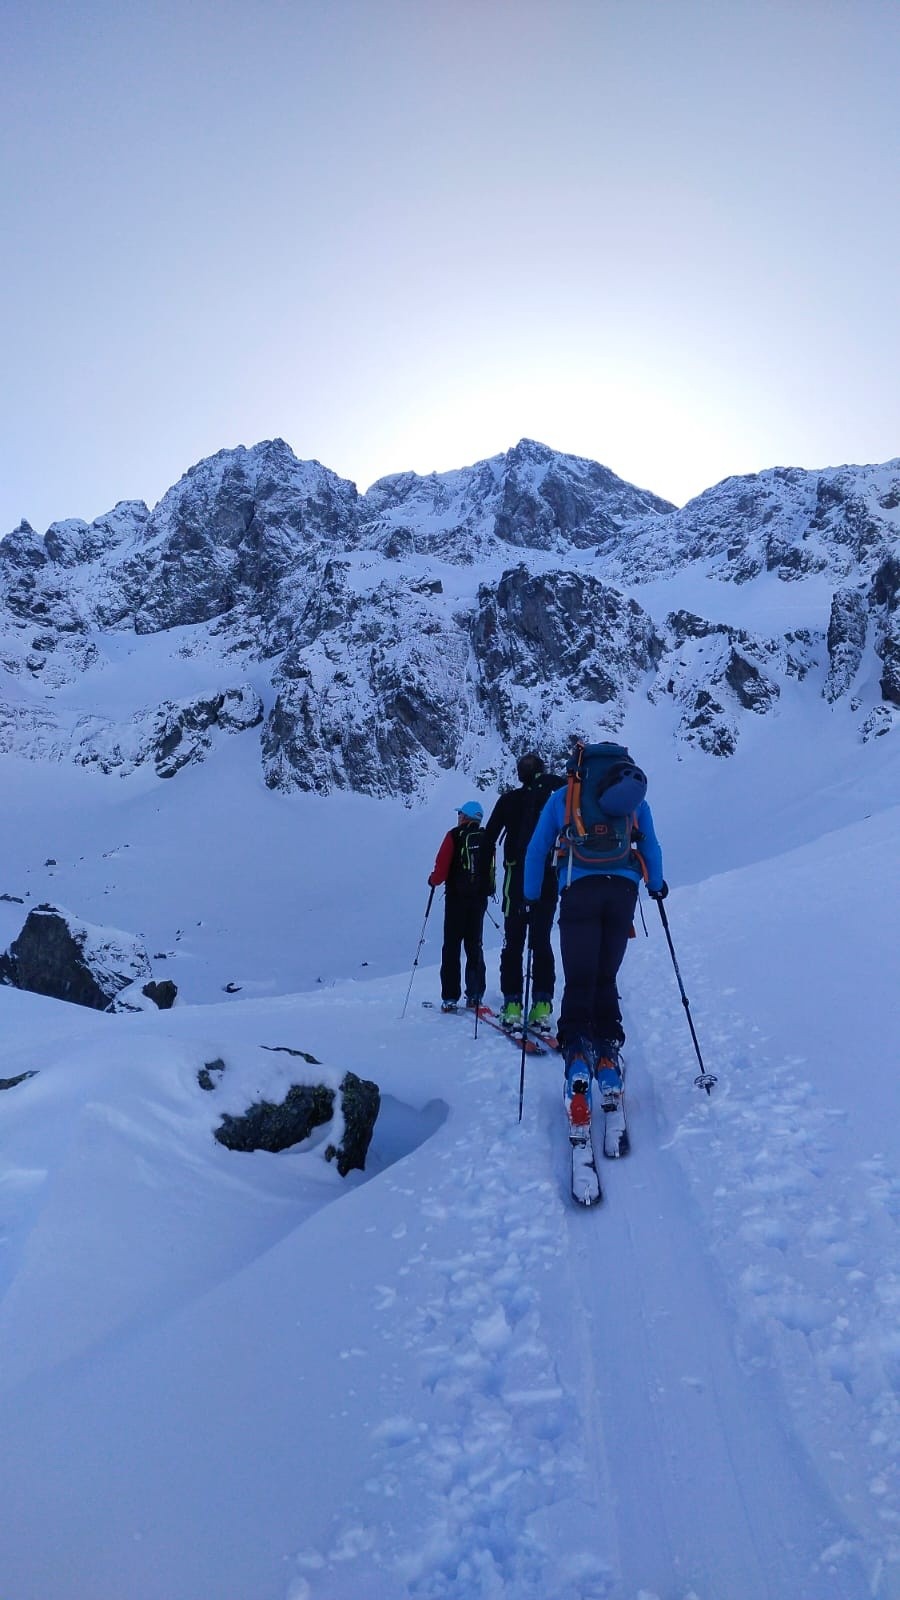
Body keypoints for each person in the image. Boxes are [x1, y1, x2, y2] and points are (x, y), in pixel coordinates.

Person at [523, 741, 666, 1099]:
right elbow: (650, 847)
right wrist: (656, 884)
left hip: (578, 888)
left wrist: (530, 894)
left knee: (579, 975)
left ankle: (575, 1055)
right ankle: (608, 1054)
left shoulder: (565, 795)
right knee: (605, 975)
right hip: (622, 891)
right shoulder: (634, 799)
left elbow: (538, 847)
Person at [482, 751, 566, 1032]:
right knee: (541, 940)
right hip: (547, 876)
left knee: (513, 942)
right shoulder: (556, 797)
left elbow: (489, 839)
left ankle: (513, 1003)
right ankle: (542, 1005)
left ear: (520, 774)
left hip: (515, 878)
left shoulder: (508, 800)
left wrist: (484, 878)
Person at [428, 800, 492, 1012]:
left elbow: (442, 866)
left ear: (465, 817)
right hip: (479, 900)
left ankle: (450, 997)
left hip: (456, 900)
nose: (459, 817)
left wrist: (433, 880)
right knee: (474, 946)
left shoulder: (454, 835)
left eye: (460, 814)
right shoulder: (485, 837)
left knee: (452, 947)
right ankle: (475, 994)